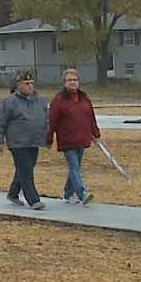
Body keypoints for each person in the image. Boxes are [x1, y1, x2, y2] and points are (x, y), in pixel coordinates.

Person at [0, 70, 50, 210]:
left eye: (32, 83)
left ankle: (13, 193)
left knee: (25, 168)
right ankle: (33, 200)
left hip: (34, 140)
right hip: (18, 142)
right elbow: (1, 122)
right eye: (26, 83)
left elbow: (47, 120)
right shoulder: (10, 102)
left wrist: (48, 137)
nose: (30, 86)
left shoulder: (40, 100)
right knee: (26, 171)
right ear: (19, 85)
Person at [47, 68, 100, 205]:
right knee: (74, 167)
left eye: (75, 80)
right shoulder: (59, 100)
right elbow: (52, 120)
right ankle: (82, 193)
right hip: (67, 139)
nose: (73, 82)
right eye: (69, 80)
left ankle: (68, 193)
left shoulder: (84, 98)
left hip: (82, 138)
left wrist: (96, 133)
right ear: (64, 82)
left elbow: (91, 117)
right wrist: (49, 138)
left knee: (75, 168)